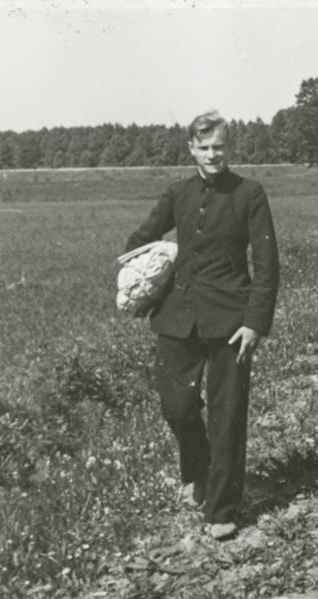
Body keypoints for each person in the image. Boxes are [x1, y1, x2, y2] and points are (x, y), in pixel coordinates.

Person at [125, 110, 280, 541]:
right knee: (176, 405)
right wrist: (150, 267)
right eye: (205, 147)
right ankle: (198, 469)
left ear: (229, 148)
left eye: (220, 147)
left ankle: (221, 508)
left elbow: (267, 266)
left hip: (232, 322)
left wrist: (255, 323)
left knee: (227, 417)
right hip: (178, 318)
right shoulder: (178, 193)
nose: (213, 155)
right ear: (191, 149)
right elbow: (138, 242)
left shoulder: (249, 193)